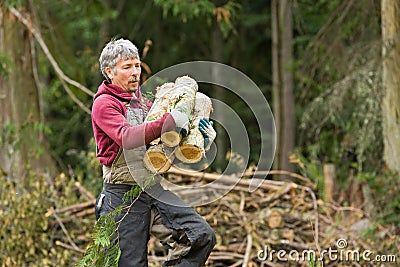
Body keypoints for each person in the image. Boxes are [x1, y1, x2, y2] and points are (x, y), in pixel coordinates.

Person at [91, 38, 216, 267]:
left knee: (200, 236)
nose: (135, 72)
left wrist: (200, 141)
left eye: (137, 65)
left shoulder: (147, 105)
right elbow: (127, 137)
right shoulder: (105, 104)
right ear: (110, 71)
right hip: (120, 197)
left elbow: (162, 151)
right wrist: (168, 122)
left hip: (151, 190)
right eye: (127, 67)